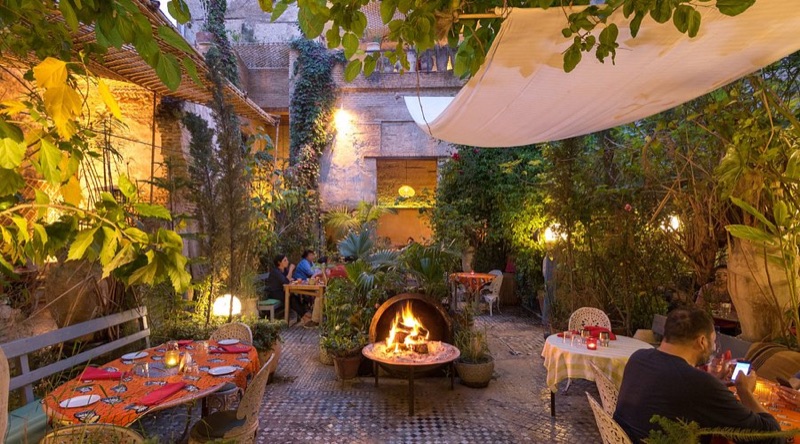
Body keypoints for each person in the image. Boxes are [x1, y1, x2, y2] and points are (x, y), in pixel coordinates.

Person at [614, 307, 781, 443]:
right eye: (714, 341)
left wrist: (716, 384)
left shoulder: (639, 357)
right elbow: (771, 436)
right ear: (702, 341)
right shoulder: (699, 384)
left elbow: (676, 393)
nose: (714, 348)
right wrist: (745, 390)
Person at [264, 254, 305, 325]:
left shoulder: (284, 270)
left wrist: (292, 279)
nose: (287, 262)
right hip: (275, 293)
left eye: (287, 260)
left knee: (296, 296)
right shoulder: (276, 272)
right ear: (279, 263)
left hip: (282, 291)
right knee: (291, 298)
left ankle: (304, 315)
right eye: (285, 260)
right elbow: (286, 281)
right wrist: (291, 270)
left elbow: (288, 280)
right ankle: (304, 315)